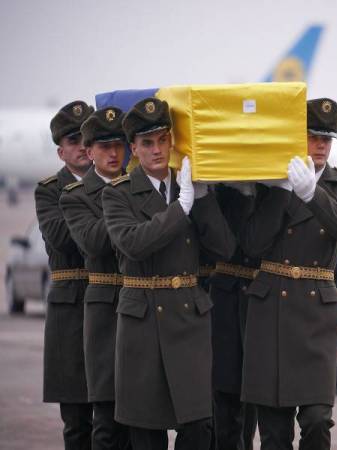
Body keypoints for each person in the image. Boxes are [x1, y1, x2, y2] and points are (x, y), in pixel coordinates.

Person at [102, 97, 235, 449]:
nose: (157, 149)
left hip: (188, 317)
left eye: (163, 140)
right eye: (147, 143)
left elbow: (223, 249)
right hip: (143, 320)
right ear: (133, 148)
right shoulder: (118, 194)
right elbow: (133, 242)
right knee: (146, 429)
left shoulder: (190, 186)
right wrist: (181, 208)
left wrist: (202, 199)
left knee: (197, 426)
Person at [239, 98, 337, 450]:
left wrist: (312, 194)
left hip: (314, 313)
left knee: (317, 420)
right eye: (313, 136)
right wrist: (281, 192)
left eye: (327, 138)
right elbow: (253, 243)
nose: (321, 144)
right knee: (275, 433)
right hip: (271, 311)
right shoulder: (269, 184)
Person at [59, 107, 131, 449]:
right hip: (103, 310)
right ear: (90, 152)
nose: (114, 153)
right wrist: (127, 213)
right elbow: (94, 242)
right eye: (104, 147)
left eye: (119, 144)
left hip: (140, 306)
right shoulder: (74, 196)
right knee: (105, 416)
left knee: (139, 416)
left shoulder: (139, 187)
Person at [35, 100, 94, 450]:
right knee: (76, 420)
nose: (82, 148)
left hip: (110, 303)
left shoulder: (113, 185)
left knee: (115, 417)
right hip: (70, 308)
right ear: (61, 152)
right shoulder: (49, 190)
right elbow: (60, 236)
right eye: (73, 141)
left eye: (87, 139)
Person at [210, 183, 258, 450]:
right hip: (224, 298)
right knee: (224, 396)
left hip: (256, 300)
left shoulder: (269, 192)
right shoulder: (219, 194)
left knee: (251, 396)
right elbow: (224, 244)